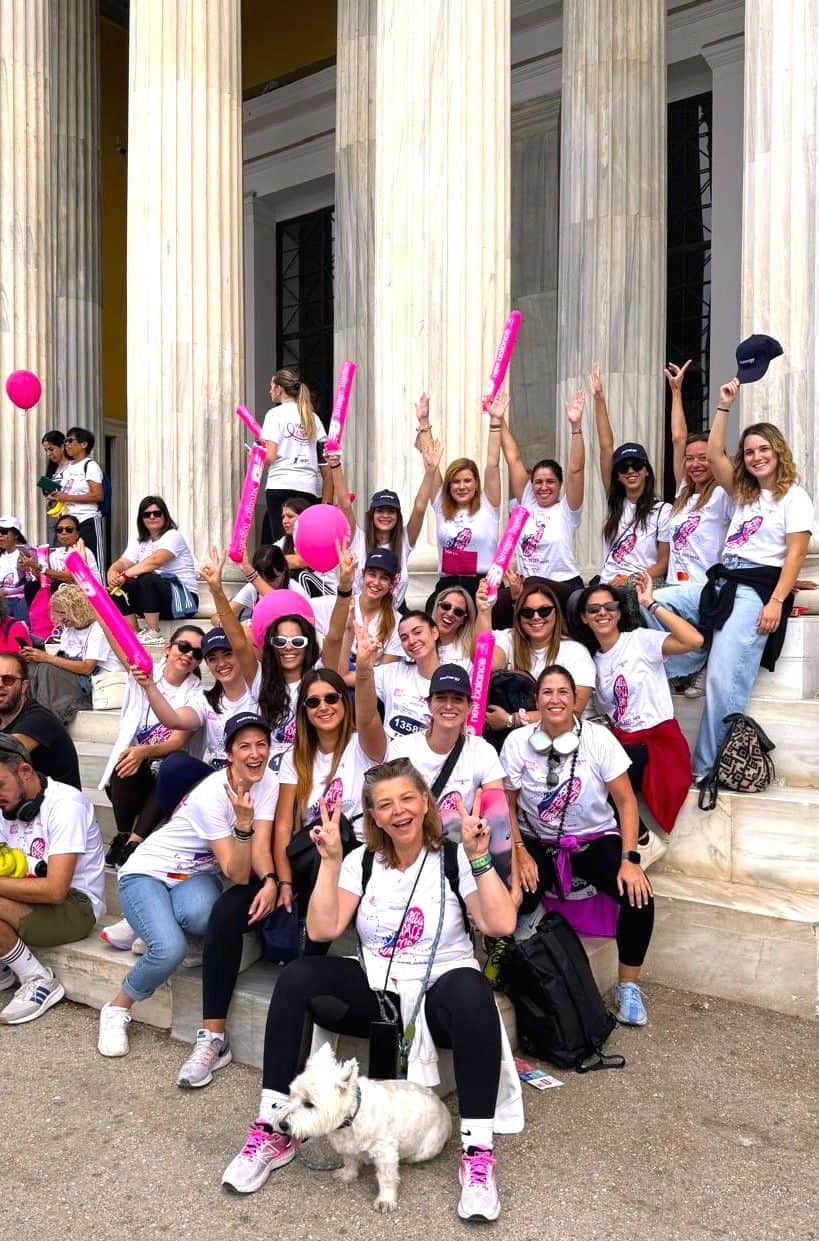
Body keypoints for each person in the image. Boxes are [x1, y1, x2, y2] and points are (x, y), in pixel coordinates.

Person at [222, 757, 522, 1222]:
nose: (398, 811)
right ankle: (272, 1127)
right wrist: (329, 862)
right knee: (299, 977)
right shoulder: (361, 860)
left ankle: (477, 1154)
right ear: (374, 816)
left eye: (407, 798)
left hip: (439, 989)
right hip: (378, 986)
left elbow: (500, 924)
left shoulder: (453, 857)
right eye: (384, 805)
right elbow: (322, 930)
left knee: (471, 990)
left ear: (425, 802)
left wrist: (480, 857)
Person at [646, 380, 814, 785]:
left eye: (763, 449)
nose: (756, 457)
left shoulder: (794, 498)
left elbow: (794, 556)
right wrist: (723, 406)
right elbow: (716, 453)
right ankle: (694, 655)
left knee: (723, 681)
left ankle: (706, 768)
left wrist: (776, 601)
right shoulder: (743, 492)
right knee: (654, 601)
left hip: (754, 590)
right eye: (750, 451)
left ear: (779, 452)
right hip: (721, 582)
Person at [97, 713, 278, 1058]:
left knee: (206, 917)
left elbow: (261, 848)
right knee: (169, 951)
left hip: (194, 877)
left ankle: (152, 924)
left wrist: (270, 880)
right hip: (147, 873)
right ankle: (117, 1007)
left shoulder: (267, 781)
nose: (255, 754)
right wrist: (243, 825)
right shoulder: (212, 795)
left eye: (261, 745)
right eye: (244, 747)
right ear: (228, 754)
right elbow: (238, 873)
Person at [501, 665, 655, 1026]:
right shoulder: (517, 743)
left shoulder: (599, 739)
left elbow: (626, 802)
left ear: (574, 701)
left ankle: (628, 987)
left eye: (563, 692)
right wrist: (519, 851)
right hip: (537, 840)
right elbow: (507, 803)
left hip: (593, 839)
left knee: (639, 897)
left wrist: (630, 859)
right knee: (517, 892)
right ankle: (513, 960)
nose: (554, 699)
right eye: (547, 692)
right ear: (537, 700)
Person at [573, 575, 703, 834]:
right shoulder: (592, 662)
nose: (602, 613)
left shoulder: (640, 640)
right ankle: (638, 838)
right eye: (594, 609)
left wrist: (650, 604)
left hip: (658, 743)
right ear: (584, 617)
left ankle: (641, 839)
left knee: (596, 775)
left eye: (610, 607)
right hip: (624, 743)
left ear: (619, 612)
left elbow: (694, 641)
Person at [0, 735, 105, 1024]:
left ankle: (38, 979)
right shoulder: (7, 804)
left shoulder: (66, 805)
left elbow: (55, 890)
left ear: (24, 771)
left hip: (76, 905)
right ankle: (6, 967)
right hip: (24, 894)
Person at [272, 657, 387, 917]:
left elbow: (369, 718)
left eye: (331, 698)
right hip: (313, 854)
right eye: (313, 702)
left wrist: (364, 670)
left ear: (345, 702)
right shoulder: (294, 757)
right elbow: (283, 826)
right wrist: (285, 882)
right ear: (304, 711)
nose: (323, 707)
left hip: (358, 851)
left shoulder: (363, 745)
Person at [655, 360, 735, 697]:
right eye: (691, 458)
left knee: (649, 601)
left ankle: (696, 659)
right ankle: (686, 664)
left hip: (705, 588)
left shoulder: (723, 495)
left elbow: (714, 456)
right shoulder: (683, 494)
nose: (695, 463)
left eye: (703, 457)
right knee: (629, 603)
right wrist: (676, 392)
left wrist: (723, 406)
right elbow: (677, 438)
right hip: (677, 585)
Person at [99, 624, 207, 868]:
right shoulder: (145, 671)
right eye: (184, 647)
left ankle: (134, 843)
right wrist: (100, 612)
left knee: (171, 764)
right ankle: (123, 835)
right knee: (126, 760)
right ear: (168, 648)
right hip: (137, 780)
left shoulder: (197, 695)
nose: (189, 655)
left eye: (197, 653)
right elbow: (118, 641)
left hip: (171, 783)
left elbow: (177, 741)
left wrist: (143, 751)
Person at [387, 662, 505, 842]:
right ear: (429, 703)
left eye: (457, 699)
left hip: (460, 845)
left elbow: (499, 818)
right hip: (412, 844)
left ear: (470, 706)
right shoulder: (401, 749)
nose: (449, 706)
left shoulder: (483, 751)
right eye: (441, 698)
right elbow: (392, 808)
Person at [415, 392, 505, 614]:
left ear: (476, 483)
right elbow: (430, 463)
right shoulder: (441, 504)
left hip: (483, 584)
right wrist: (424, 422)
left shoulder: (488, 504)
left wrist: (495, 421)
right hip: (449, 585)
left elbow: (493, 463)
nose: (461, 486)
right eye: (455, 481)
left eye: (467, 481)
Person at [497, 388, 587, 610]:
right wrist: (498, 419)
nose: (543, 487)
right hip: (529, 588)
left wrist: (576, 427)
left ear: (559, 485)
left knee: (533, 584)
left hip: (564, 585)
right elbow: (513, 458)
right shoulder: (527, 502)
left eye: (550, 482)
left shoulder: (567, 510)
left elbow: (576, 470)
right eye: (538, 482)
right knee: (492, 601)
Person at [329, 437, 443, 609]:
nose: (385, 516)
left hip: (396, 615)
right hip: (361, 614)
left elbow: (420, 508)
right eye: (380, 511)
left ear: (398, 516)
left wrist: (431, 471)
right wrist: (335, 465)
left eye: (391, 511)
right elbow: (345, 505)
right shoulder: (358, 539)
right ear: (371, 515)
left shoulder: (404, 540)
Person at [478, 576, 596, 730]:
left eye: (544, 611)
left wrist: (512, 719)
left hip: (567, 735)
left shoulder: (576, 652)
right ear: (519, 616)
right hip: (521, 736)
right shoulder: (509, 639)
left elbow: (574, 712)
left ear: (556, 613)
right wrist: (484, 610)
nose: (536, 617)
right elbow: (485, 663)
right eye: (527, 612)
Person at [591, 363, 670, 586]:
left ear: (646, 471)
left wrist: (628, 580)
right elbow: (606, 448)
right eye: (623, 468)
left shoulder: (662, 511)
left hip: (638, 584)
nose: (630, 471)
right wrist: (599, 398)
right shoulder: (615, 501)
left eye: (636, 465)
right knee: (576, 600)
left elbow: (663, 563)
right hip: (607, 584)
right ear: (617, 475)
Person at [21, 585, 118, 724]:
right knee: (33, 667)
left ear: (78, 609)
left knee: (47, 668)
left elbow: (87, 668)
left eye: (63, 613)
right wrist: (37, 656)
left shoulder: (98, 628)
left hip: (95, 680)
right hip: (75, 678)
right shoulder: (69, 629)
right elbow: (63, 659)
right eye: (57, 613)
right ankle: (30, 714)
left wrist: (47, 658)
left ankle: (47, 719)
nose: (60, 618)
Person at [107, 495, 198, 644]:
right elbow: (123, 562)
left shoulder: (173, 536)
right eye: (147, 514)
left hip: (184, 601)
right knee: (120, 587)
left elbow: (155, 561)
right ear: (141, 518)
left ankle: (154, 633)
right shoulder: (139, 541)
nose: (152, 517)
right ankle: (134, 632)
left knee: (147, 577)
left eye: (157, 513)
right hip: (155, 602)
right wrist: (113, 572)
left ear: (165, 515)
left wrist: (124, 575)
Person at [261, 368, 331, 540]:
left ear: (279, 389)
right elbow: (325, 462)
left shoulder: (274, 415)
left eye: (271, 386)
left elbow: (270, 455)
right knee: (304, 540)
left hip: (279, 484)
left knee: (282, 542)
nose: (269, 391)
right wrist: (327, 502)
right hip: (307, 488)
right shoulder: (313, 418)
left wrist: (256, 458)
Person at [313, 543, 404, 669]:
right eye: (372, 574)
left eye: (384, 578)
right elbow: (297, 610)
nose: (376, 582)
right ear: (362, 574)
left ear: (392, 584)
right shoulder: (335, 604)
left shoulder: (397, 622)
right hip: (328, 677)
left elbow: (386, 675)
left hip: (369, 680)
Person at [0, 653, 81, 789]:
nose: (0, 684)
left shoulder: (39, 719)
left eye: (8, 680)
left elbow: (7, 752)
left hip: (53, 800)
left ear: (24, 686)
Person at [49, 426, 106, 571]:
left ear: (84, 444)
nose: (67, 444)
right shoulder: (69, 467)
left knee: (92, 562)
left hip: (86, 519)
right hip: (69, 522)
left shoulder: (90, 466)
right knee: (71, 565)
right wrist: (57, 496)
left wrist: (67, 497)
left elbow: (98, 495)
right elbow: (66, 492)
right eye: (65, 441)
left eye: (70, 440)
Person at [20, 516, 102, 601]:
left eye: (69, 530)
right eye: (59, 530)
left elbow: (68, 577)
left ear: (77, 534)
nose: (64, 533)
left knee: (58, 586)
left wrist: (39, 567)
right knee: (32, 586)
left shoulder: (82, 551)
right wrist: (33, 569)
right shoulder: (55, 554)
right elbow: (50, 577)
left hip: (89, 595)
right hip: (66, 592)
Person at [276, 496, 337, 597]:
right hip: (306, 592)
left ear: (304, 518)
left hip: (327, 593)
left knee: (300, 575)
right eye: (283, 517)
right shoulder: (284, 541)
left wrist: (277, 561)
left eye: (290, 516)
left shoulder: (319, 538)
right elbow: (268, 558)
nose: (284, 521)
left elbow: (302, 561)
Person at [430, 584, 477, 668]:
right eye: (446, 606)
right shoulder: (420, 642)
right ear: (437, 607)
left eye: (458, 612)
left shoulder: (471, 654)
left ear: (464, 620)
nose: (450, 614)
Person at [0, 515, 32, 624]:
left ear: (16, 535)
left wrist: (8, 591)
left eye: (4, 532)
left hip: (19, 599)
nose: (0, 536)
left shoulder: (26, 553)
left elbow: (31, 583)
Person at [39, 430, 69, 546]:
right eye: (46, 450)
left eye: (51, 449)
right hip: (54, 515)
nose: (49, 454)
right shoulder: (52, 469)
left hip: (69, 513)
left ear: (62, 446)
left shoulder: (73, 467)